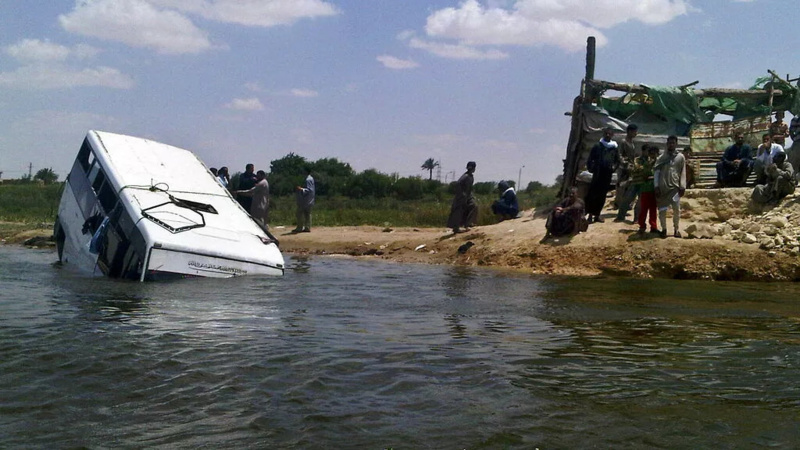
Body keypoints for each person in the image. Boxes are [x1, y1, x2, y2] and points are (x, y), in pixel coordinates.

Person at [584, 127, 620, 223]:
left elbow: (617, 161)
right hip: (598, 173)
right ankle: (590, 216)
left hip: (607, 174)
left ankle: (597, 215)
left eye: (610, 134)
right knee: (593, 194)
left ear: (612, 135)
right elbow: (590, 159)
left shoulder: (614, 147)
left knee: (602, 195)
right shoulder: (598, 146)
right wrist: (592, 169)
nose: (608, 135)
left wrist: (613, 169)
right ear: (603, 134)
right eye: (606, 134)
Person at [654, 135, 686, 238]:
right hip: (663, 188)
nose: (671, 145)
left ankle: (676, 230)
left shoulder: (680, 157)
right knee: (662, 210)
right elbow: (657, 173)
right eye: (669, 143)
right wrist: (656, 186)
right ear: (667, 144)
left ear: (676, 144)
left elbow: (683, 173)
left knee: (676, 210)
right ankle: (664, 229)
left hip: (675, 188)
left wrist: (682, 186)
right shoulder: (661, 158)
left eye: (673, 143)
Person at [630, 145, 660, 234]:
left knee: (653, 210)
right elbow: (644, 173)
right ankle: (642, 226)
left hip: (653, 189)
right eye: (651, 153)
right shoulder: (645, 162)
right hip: (645, 189)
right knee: (644, 209)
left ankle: (653, 226)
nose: (652, 156)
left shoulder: (657, 162)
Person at [615, 124, 640, 222]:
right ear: (630, 131)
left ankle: (624, 209)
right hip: (624, 169)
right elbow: (619, 155)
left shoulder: (632, 143)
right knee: (622, 189)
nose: (636, 133)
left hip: (631, 169)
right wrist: (625, 163)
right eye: (635, 131)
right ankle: (620, 210)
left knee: (629, 190)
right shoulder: (623, 142)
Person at [447, 161, 478, 233]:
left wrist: (470, 195)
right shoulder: (466, 176)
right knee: (458, 212)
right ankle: (456, 228)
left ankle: (468, 224)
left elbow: (469, 188)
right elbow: (458, 184)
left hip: (467, 196)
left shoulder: (471, 177)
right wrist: (462, 194)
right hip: (460, 197)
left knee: (473, 206)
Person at [293, 167, 315, 232]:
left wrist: (301, 189)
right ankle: (307, 227)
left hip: (306, 200)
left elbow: (309, 190)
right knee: (307, 214)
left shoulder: (308, 179)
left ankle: (300, 227)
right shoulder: (310, 178)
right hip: (309, 199)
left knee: (299, 213)